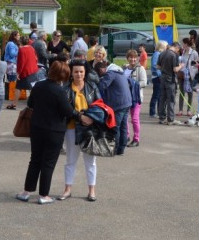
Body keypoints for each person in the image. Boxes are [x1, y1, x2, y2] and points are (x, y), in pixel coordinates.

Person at [16, 61, 89, 205]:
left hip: (37, 127)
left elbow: (30, 104)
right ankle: (44, 195)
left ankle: (26, 192)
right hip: (54, 131)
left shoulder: (38, 86)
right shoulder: (60, 91)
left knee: (35, 160)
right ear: (63, 75)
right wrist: (80, 116)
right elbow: (68, 111)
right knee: (48, 163)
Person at [59, 60, 100, 201]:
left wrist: (92, 118)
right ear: (71, 73)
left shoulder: (92, 87)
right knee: (70, 160)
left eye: (81, 71)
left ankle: (92, 190)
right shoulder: (65, 89)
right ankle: (67, 189)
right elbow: (65, 109)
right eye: (76, 71)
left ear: (85, 72)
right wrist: (80, 117)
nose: (79, 74)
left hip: (89, 130)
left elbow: (100, 105)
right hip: (71, 129)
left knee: (90, 161)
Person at [97, 61, 132, 155]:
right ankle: (121, 149)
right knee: (123, 127)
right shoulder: (119, 71)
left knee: (116, 127)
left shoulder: (110, 73)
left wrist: (98, 80)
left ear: (102, 69)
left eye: (99, 72)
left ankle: (114, 149)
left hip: (118, 104)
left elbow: (102, 85)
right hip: (127, 102)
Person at [124, 50, 147, 147]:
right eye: (130, 57)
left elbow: (144, 82)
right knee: (124, 119)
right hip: (125, 97)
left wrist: (132, 84)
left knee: (134, 119)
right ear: (127, 58)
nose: (132, 59)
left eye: (134, 57)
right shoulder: (124, 68)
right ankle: (126, 136)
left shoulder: (140, 68)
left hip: (135, 98)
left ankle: (136, 139)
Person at [157, 41, 183, 125]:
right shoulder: (174, 55)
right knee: (171, 99)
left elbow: (158, 66)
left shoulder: (162, 53)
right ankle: (170, 119)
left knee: (162, 99)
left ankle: (162, 118)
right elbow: (175, 69)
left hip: (162, 78)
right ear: (177, 48)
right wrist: (181, 66)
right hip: (170, 79)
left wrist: (164, 68)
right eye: (178, 50)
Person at [177, 38, 198, 117]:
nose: (182, 45)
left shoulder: (194, 53)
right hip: (181, 75)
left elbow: (197, 65)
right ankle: (180, 110)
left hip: (189, 75)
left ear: (186, 44)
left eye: (183, 43)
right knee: (181, 92)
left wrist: (192, 72)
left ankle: (189, 110)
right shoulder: (182, 51)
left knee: (190, 92)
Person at [148, 41, 167, 118]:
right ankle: (152, 112)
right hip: (157, 78)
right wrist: (160, 75)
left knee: (160, 95)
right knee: (156, 95)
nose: (166, 48)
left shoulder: (159, 54)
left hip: (159, 77)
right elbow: (154, 66)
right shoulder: (157, 54)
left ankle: (160, 111)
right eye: (165, 46)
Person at [4, 30, 21, 110]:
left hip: (13, 63)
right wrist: (20, 50)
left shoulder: (13, 43)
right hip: (11, 63)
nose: (19, 36)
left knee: (11, 80)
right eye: (18, 35)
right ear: (14, 36)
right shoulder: (11, 44)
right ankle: (10, 95)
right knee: (12, 80)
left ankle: (10, 95)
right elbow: (12, 54)